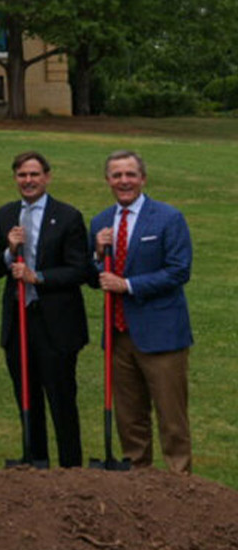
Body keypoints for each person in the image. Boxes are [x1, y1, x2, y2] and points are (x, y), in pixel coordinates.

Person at [0, 152, 96, 468]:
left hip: (56, 323)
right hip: (19, 321)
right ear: (15, 179)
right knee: (26, 397)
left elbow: (80, 270)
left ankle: (70, 466)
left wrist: (39, 277)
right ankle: (34, 462)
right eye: (22, 175)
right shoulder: (5, 215)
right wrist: (9, 251)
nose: (28, 181)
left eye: (34, 174)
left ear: (47, 177)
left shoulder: (67, 216)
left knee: (61, 399)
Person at [91, 150, 193, 473]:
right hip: (119, 334)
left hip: (161, 334)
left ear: (143, 179)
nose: (124, 181)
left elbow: (179, 271)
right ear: (108, 180)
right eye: (117, 175)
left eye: (130, 175)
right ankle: (139, 481)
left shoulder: (167, 218)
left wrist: (129, 285)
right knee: (129, 416)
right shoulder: (101, 221)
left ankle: (180, 484)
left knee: (171, 416)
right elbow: (97, 276)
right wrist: (97, 252)